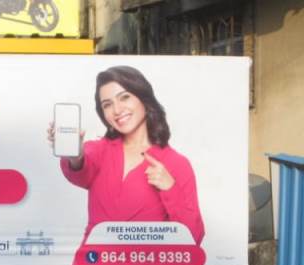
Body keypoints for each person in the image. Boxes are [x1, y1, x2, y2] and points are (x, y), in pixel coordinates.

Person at [48, 65, 205, 247]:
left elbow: (194, 237)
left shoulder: (176, 163)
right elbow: (81, 167)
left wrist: (170, 188)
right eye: (107, 104)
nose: (117, 110)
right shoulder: (99, 151)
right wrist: (74, 154)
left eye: (124, 97)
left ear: (144, 99)